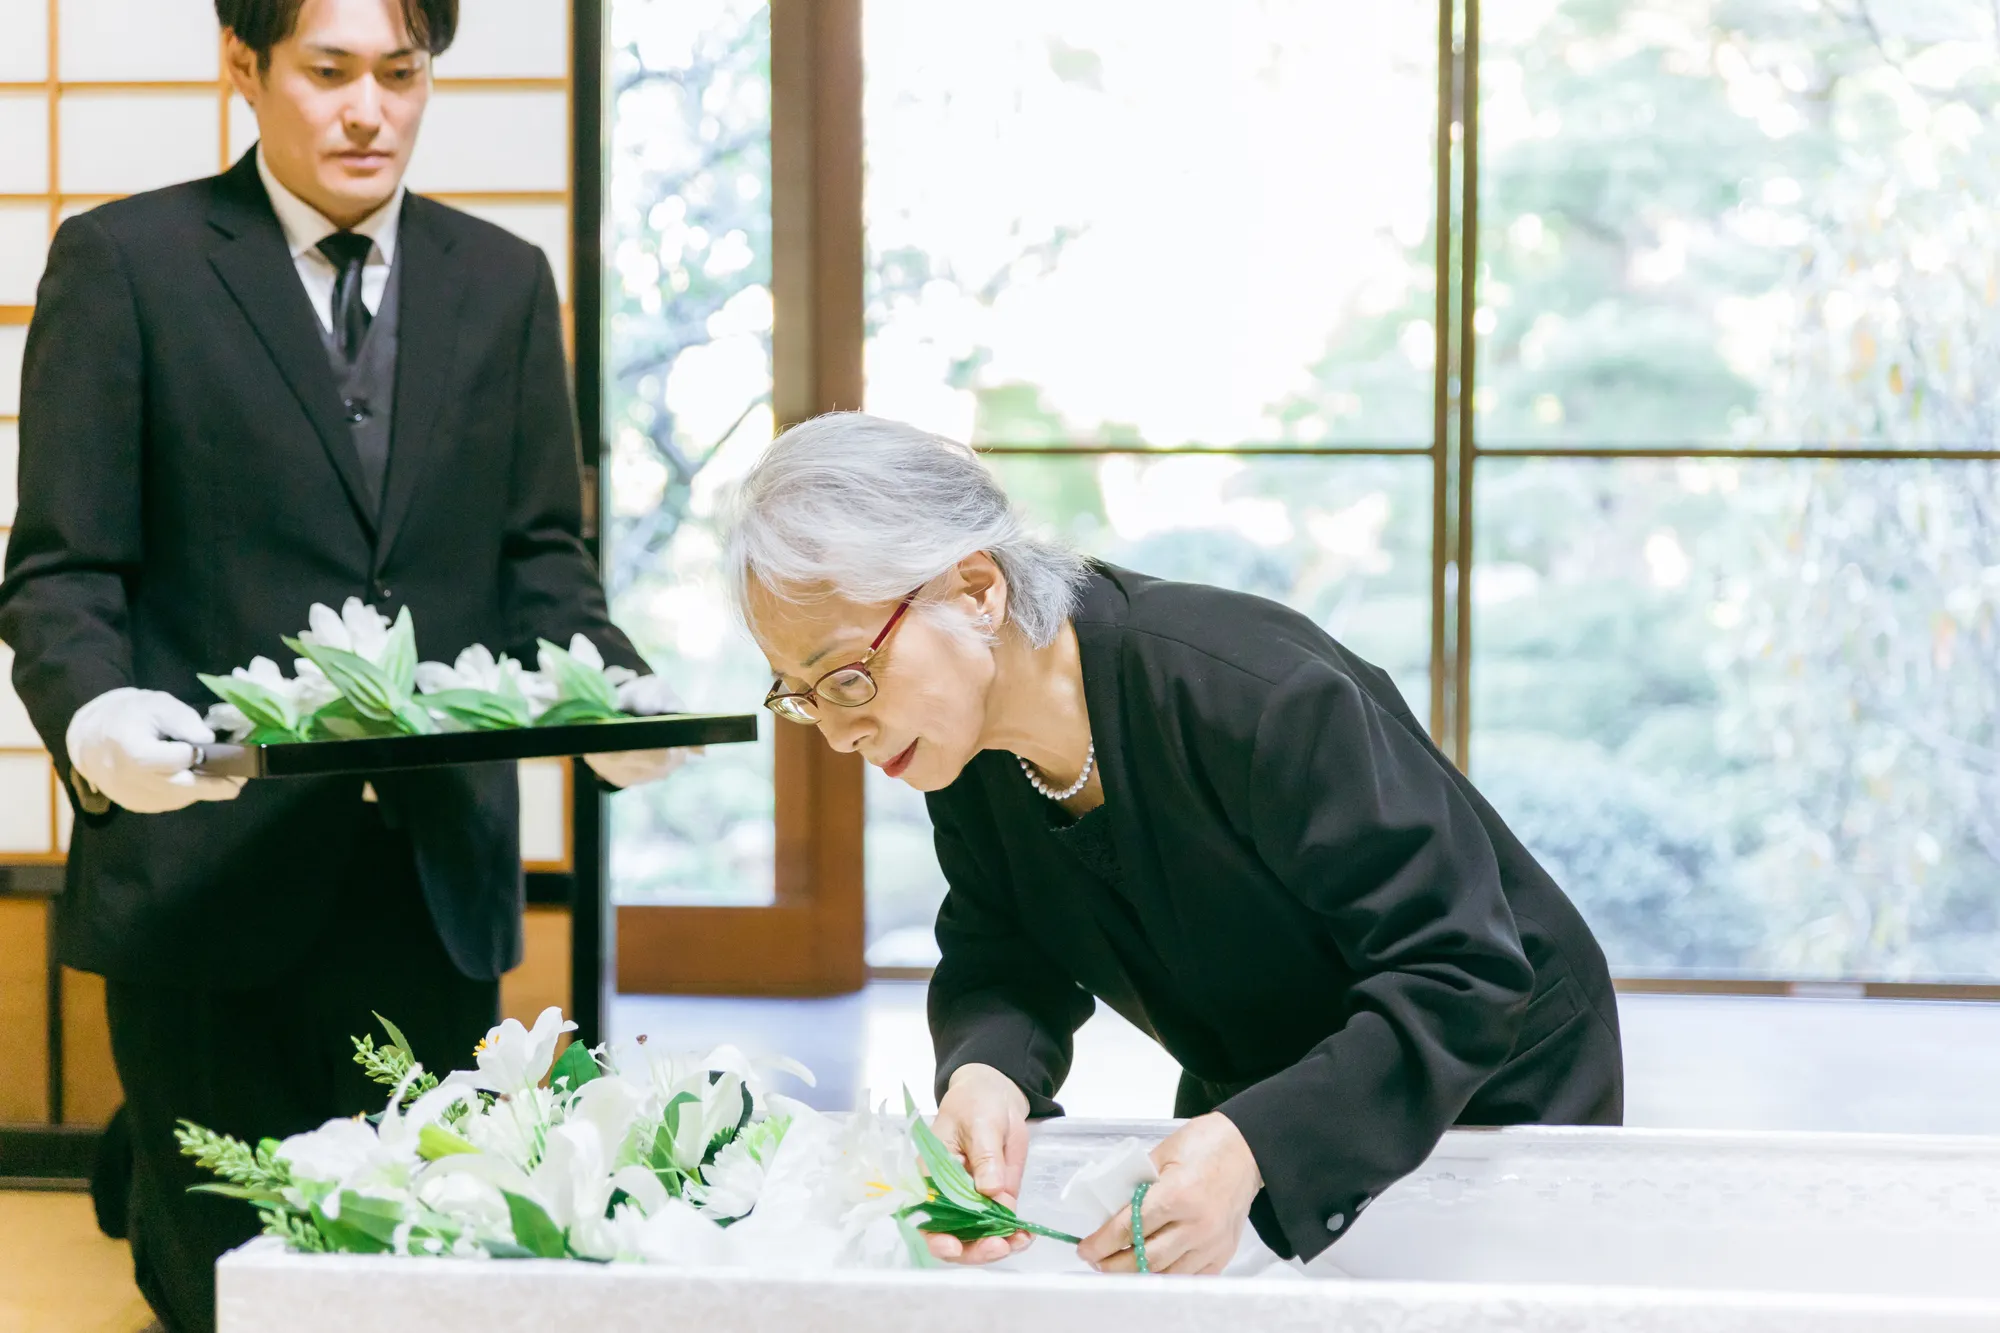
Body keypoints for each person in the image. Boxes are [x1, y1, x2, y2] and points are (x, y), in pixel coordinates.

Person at [0, 2, 682, 1327]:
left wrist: (611, 691)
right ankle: (148, 1170)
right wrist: (95, 719)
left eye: (401, 72)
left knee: (412, 1280)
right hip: (204, 872)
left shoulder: (501, 278)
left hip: (431, 882)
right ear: (245, 67)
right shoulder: (126, 262)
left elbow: (540, 559)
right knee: (224, 1297)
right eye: (329, 71)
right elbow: (62, 571)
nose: (370, 109)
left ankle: (137, 1163)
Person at [725, 413, 1624, 1276]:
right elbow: (1003, 949)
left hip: (1483, 1074)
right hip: (1265, 1083)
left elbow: (1462, 972)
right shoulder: (959, 748)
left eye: (849, 675)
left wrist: (1253, 1144)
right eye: (801, 693)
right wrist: (987, 1075)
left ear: (976, 589)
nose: (837, 731)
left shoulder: (1250, 693)